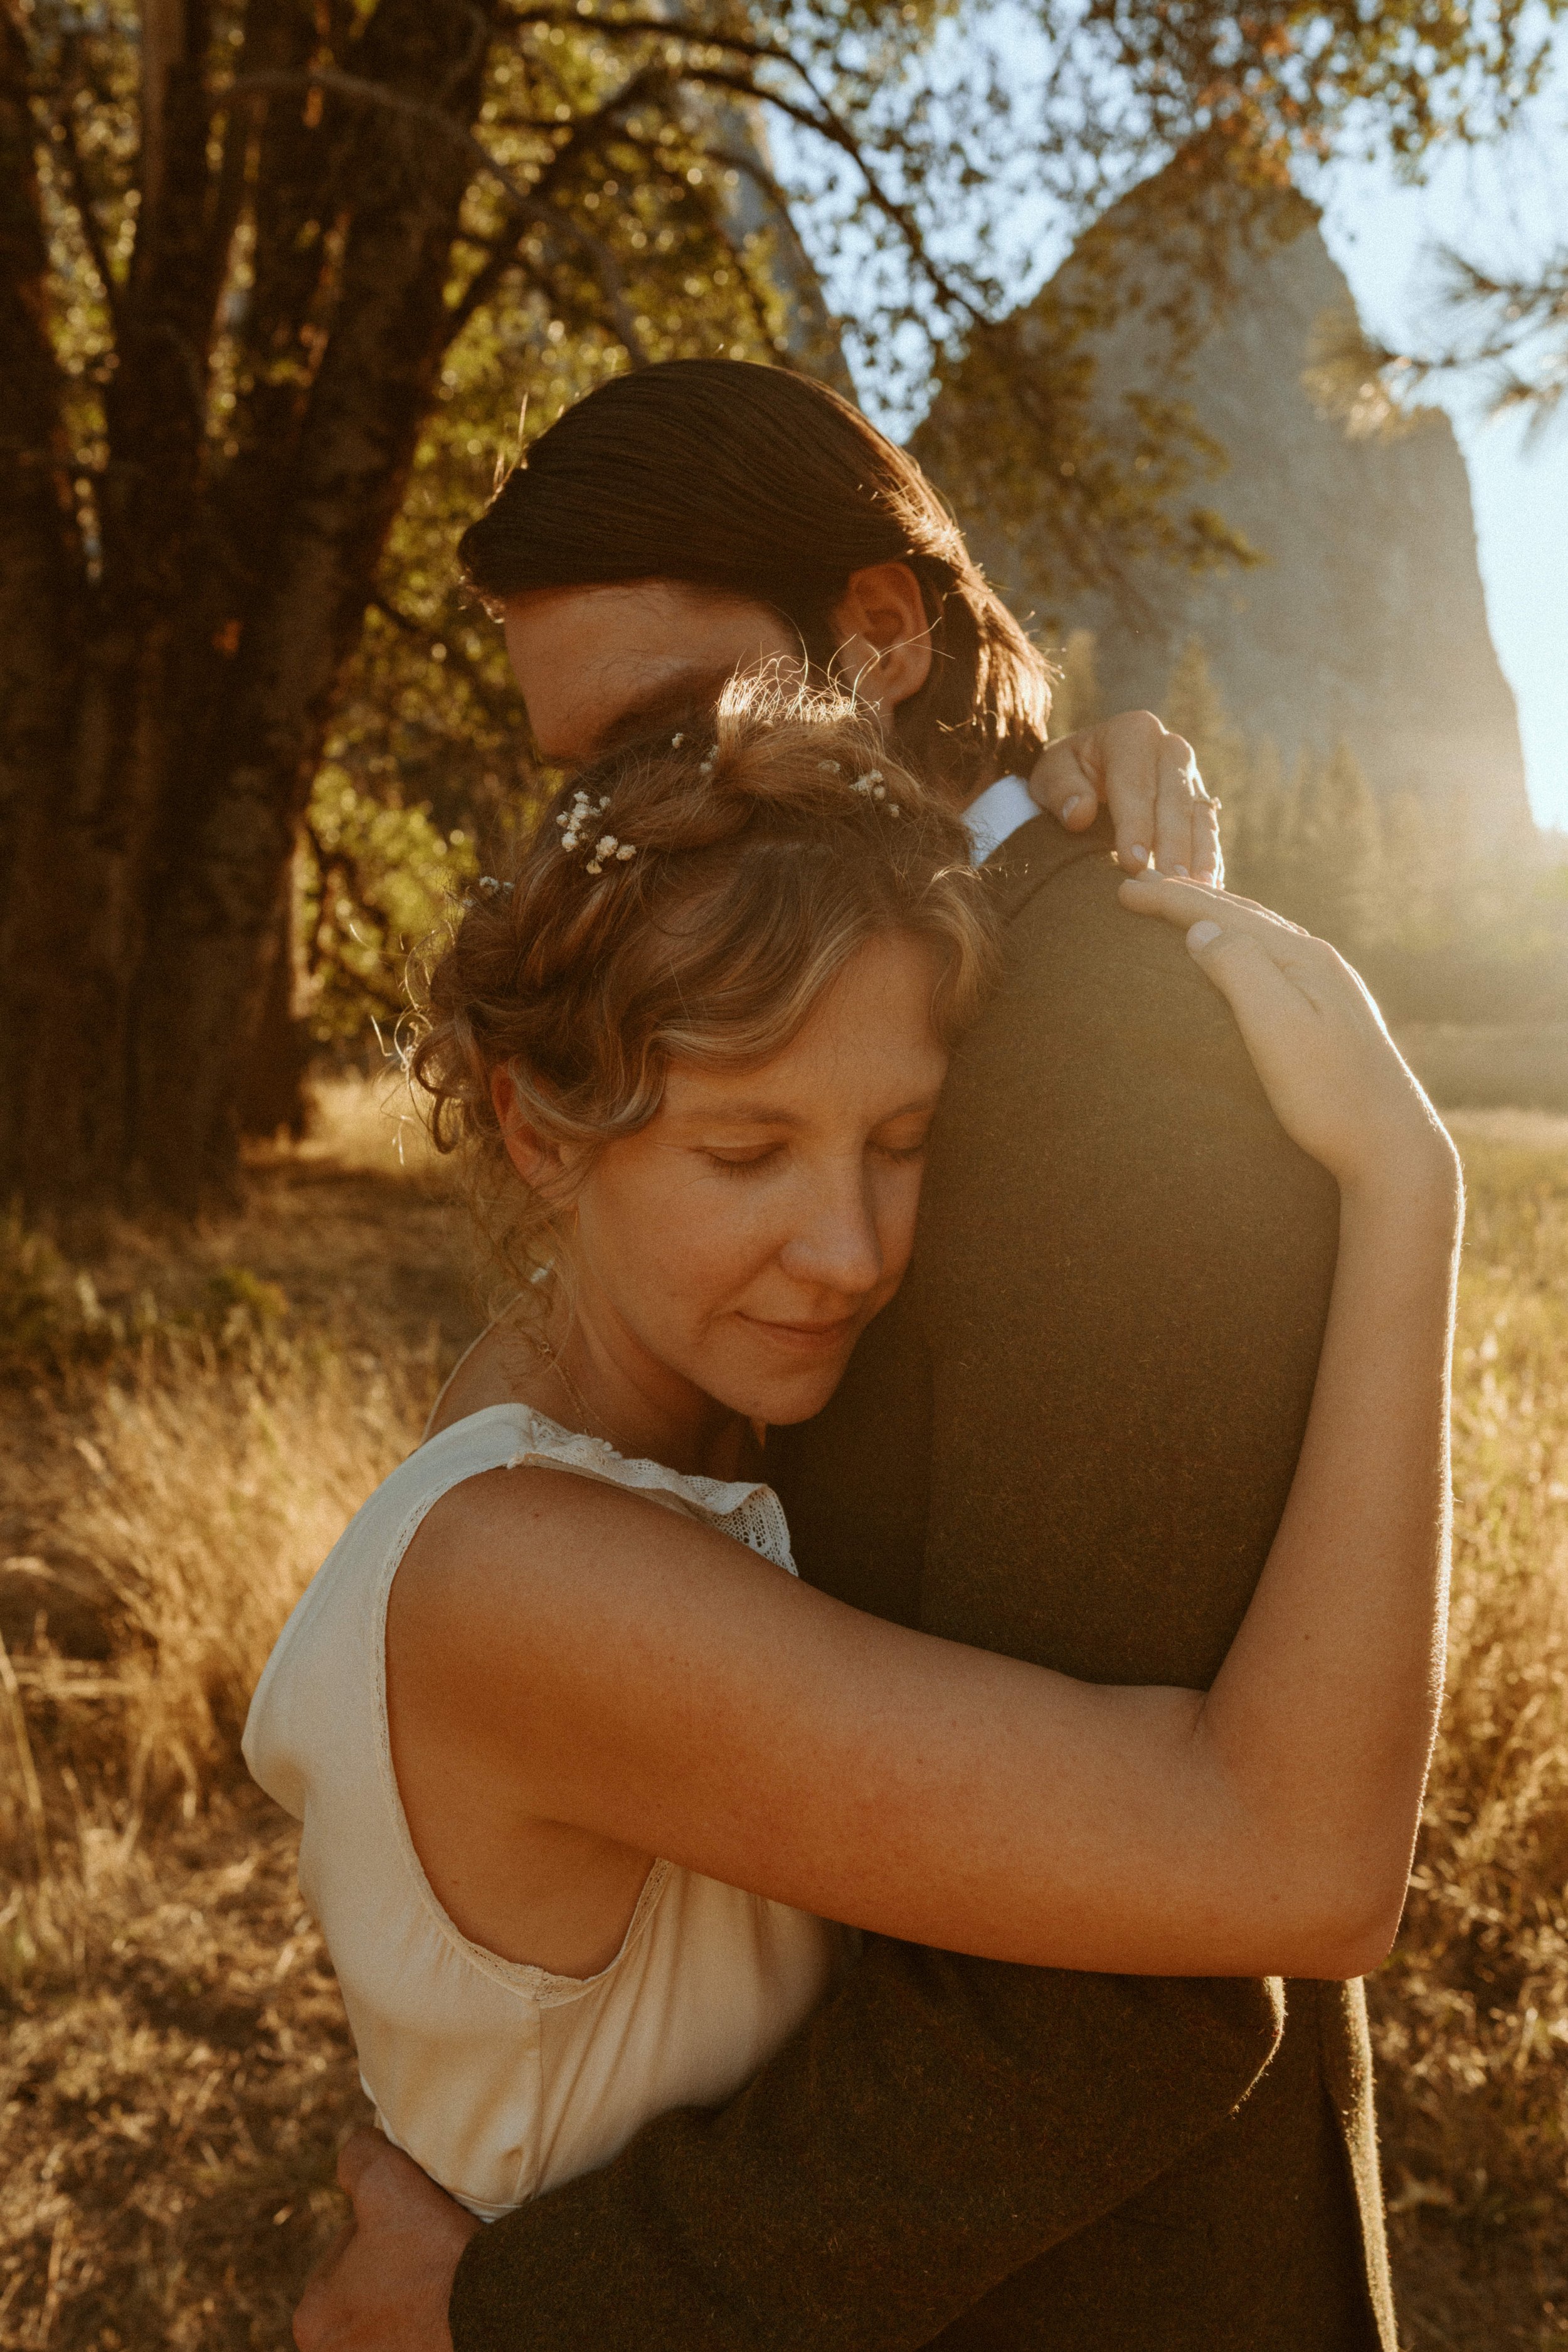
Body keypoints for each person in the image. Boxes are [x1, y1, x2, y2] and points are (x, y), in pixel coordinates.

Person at [288, 361, 1448, 2352]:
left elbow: (1142, 1982)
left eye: (662, 732)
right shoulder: (565, 1439)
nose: (626, 825)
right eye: (575, 781)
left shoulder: (1106, 1050)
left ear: (882, 636)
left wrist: (518, 2310)